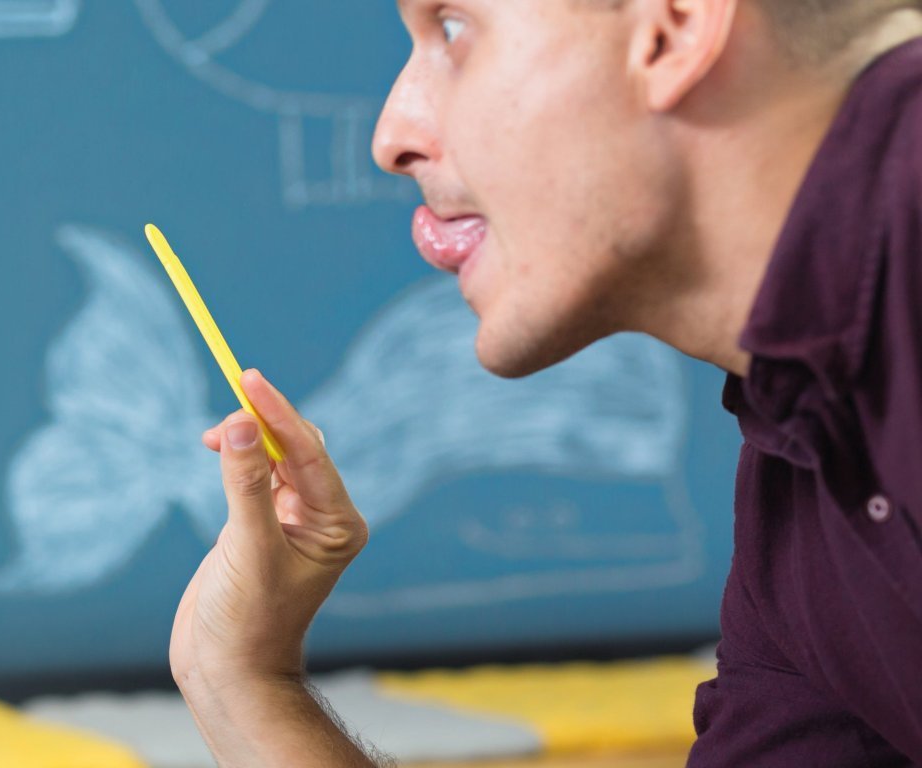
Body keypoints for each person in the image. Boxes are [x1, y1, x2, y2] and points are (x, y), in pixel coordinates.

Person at [174, 0, 922, 764]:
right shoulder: (802, 473)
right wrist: (241, 683)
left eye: (453, 28)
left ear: (674, 27)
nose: (390, 137)